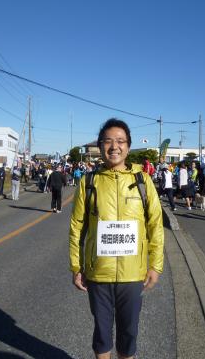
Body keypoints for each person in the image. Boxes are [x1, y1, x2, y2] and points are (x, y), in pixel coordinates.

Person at [69, 118, 164, 359]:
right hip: (98, 272)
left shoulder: (143, 181)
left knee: (129, 333)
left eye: (120, 141)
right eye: (108, 141)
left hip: (133, 273)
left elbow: (155, 225)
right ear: (100, 146)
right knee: (102, 333)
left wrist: (156, 265)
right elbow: (77, 227)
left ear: (128, 147)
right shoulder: (88, 182)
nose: (114, 146)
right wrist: (76, 266)